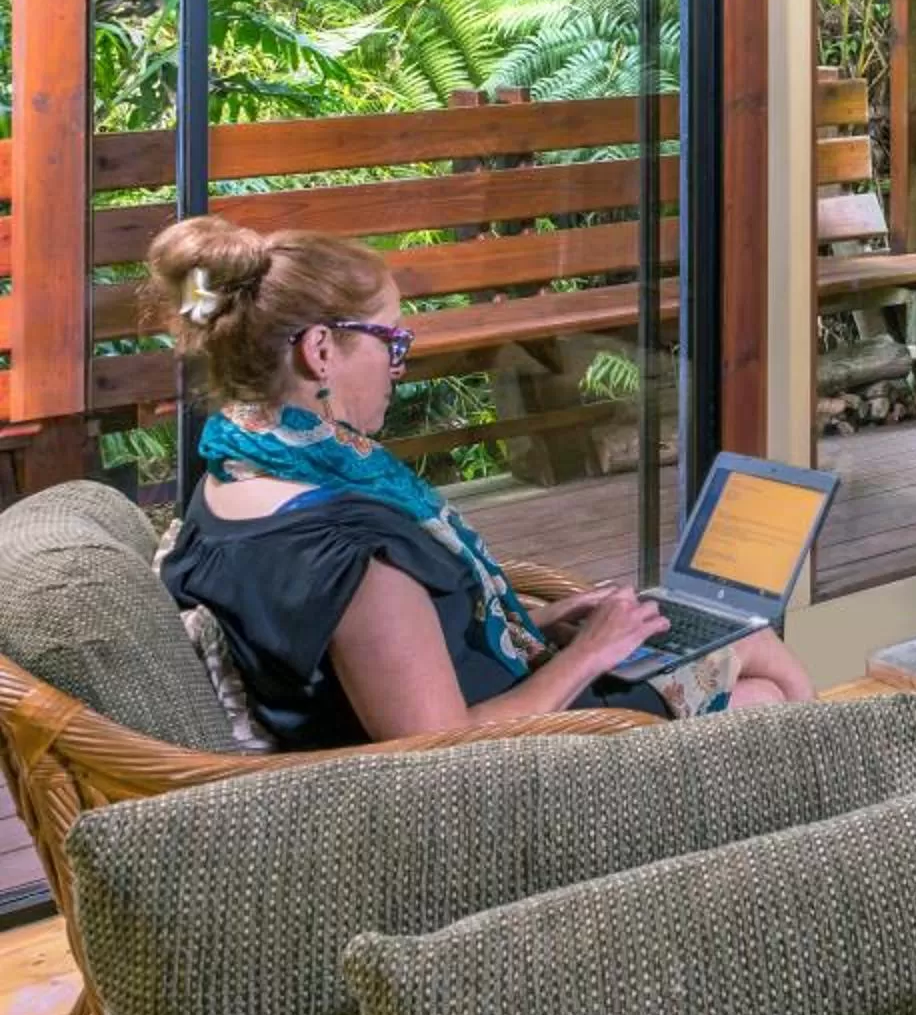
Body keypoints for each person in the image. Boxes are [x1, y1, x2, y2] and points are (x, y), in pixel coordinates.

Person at [146, 215, 813, 747]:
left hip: (497, 697)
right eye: (391, 343)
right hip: (513, 768)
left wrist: (546, 621)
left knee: (739, 645)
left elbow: (391, 659)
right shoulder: (349, 551)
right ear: (320, 350)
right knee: (758, 674)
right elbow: (444, 751)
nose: (399, 367)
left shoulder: (231, 479)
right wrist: (589, 655)